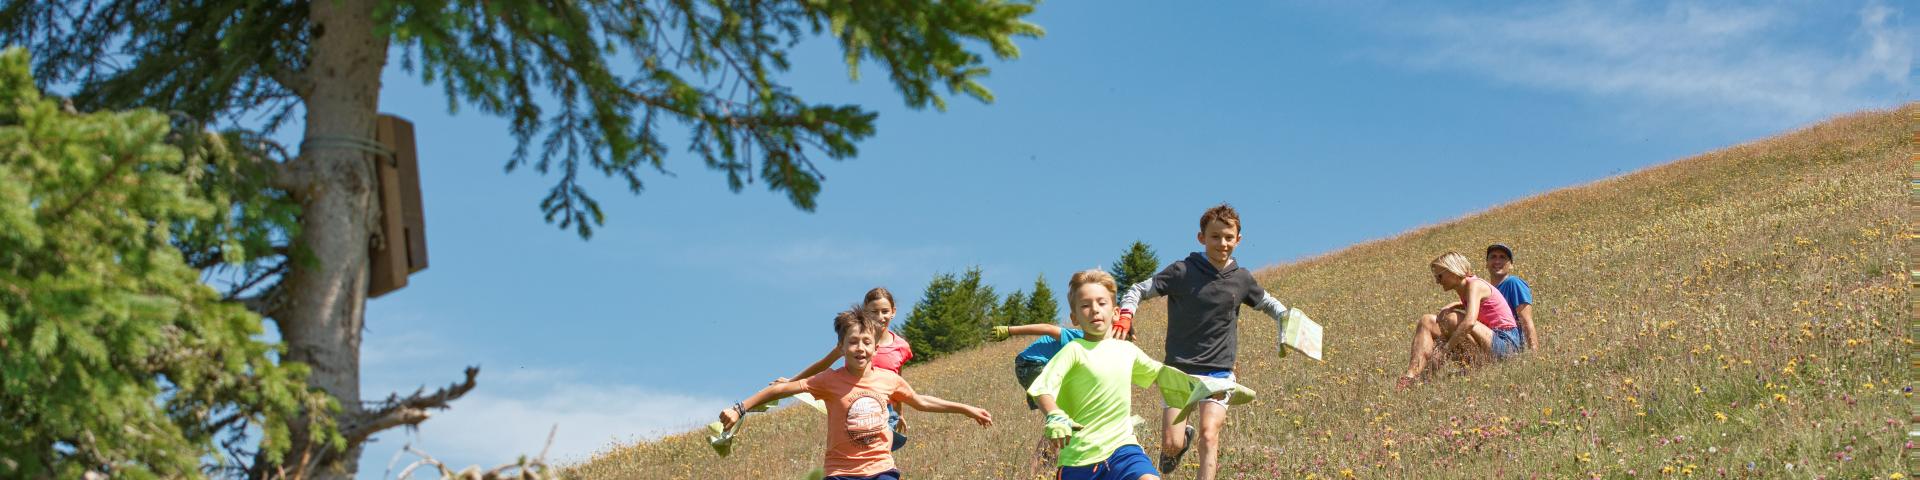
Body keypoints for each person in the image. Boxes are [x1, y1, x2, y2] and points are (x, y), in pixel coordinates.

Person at [1114, 204, 1292, 478]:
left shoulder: (1241, 279)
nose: (1222, 243)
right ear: (1201, 238)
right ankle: (1181, 438)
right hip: (1178, 371)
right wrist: (1125, 316)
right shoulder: (1182, 271)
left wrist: (1286, 320)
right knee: (1170, 446)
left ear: (1238, 240)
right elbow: (1139, 289)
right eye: (1215, 237)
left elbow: (1270, 304)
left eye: (1228, 238)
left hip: (1218, 371)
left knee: (1209, 437)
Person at [718, 308, 990, 480]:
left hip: (881, 468)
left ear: (875, 347)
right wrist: (740, 408)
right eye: (853, 342)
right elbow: (780, 389)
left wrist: (966, 408)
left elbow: (921, 401)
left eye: (867, 342)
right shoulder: (828, 380)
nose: (860, 348)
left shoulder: (888, 380)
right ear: (841, 346)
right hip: (840, 472)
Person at [1028, 269, 1188, 480]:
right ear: (1074, 318)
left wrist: (1206, 386)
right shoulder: (1073, 350)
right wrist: (1054, 415)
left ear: (1115, 312)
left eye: (1102, 303)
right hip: (1078, 461)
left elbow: (1162, 375)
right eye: (1085, 305)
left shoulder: (1127, 351)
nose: (1094, 310)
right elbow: (1042, 388)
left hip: (1123, 451)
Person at [781, 288, 915, 450]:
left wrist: (899, 413)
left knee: (876, 455)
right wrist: (791, 382)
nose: (880, 317)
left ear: (893, 312)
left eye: (885, 311)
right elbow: (823, 364)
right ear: (865, 313)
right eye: (874, 312)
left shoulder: (901, 346)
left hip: (885, 409)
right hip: (854, 403)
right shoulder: (854, 342)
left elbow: (898, 382)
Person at [1396, 252, 1524, 389]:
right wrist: (1455, 304)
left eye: (1440, 276)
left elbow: (1470, 322)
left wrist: (1444, 351)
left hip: (1506, 343)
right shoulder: (1465, 289)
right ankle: (1411, 378)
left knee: (1452, 319)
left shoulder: (1475, 285)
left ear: (1453, 270)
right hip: (1491, 340)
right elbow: (1485, 306)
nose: (1437, 281)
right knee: (1426, 321)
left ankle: (1476, 367)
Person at [989, 320, 1086, 475]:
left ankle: (1041, 468)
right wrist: (1009, 330)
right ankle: (1044, 468)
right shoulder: (1081, 337)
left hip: (1029, 365)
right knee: (1061, 417)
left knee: (1060, 418)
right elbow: (1048, 328)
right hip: (1033, 364)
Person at [1484, 244, 1538, 351]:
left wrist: (1534, 355)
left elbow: (1526, 320)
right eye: (1493, 257)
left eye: (1502, 257)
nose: (1497, 261)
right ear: (1487, 264)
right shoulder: (1486, 290)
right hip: (1490, 343)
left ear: (1511, 265)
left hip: (1509, 344)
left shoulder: (1513, 283)